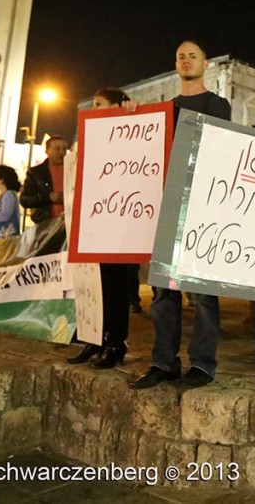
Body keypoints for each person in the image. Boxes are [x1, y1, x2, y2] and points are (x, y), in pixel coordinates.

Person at [130, 40, 232, 390]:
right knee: (161, 292)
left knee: (202, 293)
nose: (186, 60)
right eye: (180, 56)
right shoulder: (161, 111)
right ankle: (164, 361)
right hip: (164, 206)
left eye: (193, 56)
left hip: (201, 207)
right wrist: (130, 117)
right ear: (176, 64)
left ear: (205, 64)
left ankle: (203, 364)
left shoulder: (217, 105)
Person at [68, 88, 142, 370]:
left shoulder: (130, 132)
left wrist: (133, 116)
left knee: (116, 284)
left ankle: (116, 341)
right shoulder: (90, 136)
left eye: (99, 103)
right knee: (95, 284)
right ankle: (94, 338)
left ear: (116, 106)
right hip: (95, 221)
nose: (93, 107)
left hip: (121, 222)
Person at [20, 137, 69, 225]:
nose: (61, 153)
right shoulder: (36, 173)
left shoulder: (73, 171)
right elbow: (25, 199)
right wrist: (48, 197)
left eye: (64, 149)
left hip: (68, 224)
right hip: (45, 224)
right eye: (57, 149)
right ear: (47, 151)